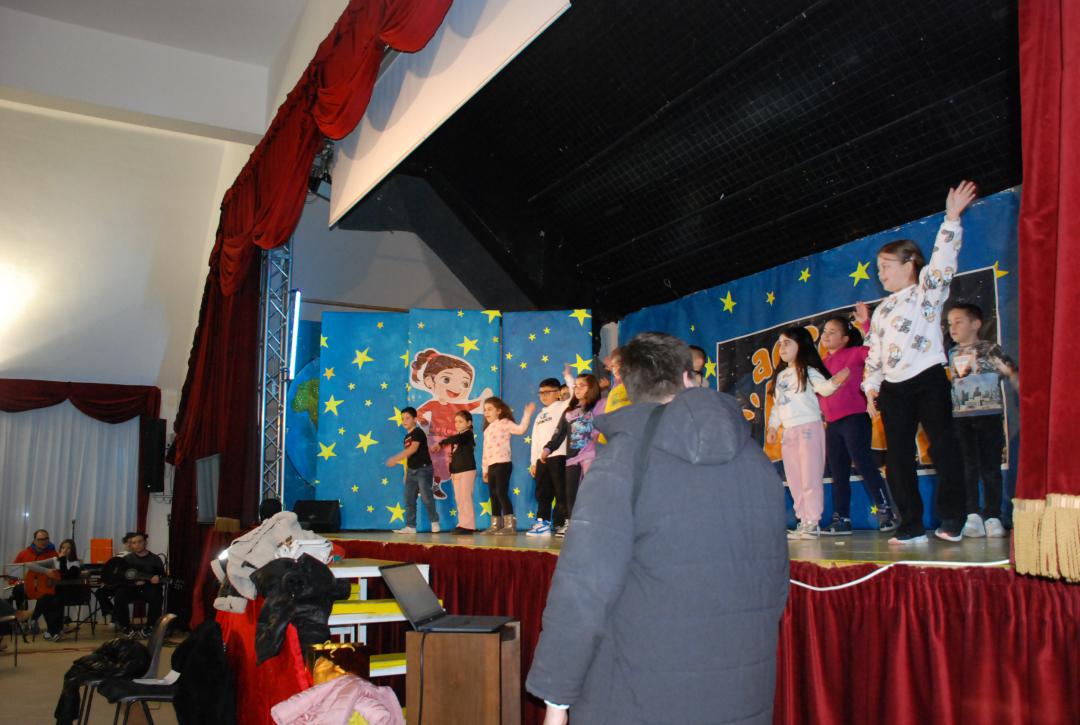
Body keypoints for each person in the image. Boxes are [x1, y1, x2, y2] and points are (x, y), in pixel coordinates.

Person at [526, 332, 789, 724]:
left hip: (639, 696)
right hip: (742, 692)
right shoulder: (756, 460)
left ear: (629, 389)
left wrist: (556, 699)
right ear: (687, 377)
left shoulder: (622, 461)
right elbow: (776, 582)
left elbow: (583, 589)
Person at [863, 180, 978, 544]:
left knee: (943, 446)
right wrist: (871, 387)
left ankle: (953, 518)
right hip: (893, 389)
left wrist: (951, 219)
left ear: (910, 264)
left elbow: (943, 263)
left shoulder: (926, 293)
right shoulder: (881, 310)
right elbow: (874, 353)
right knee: (898, 458)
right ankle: (910, 525)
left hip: (927, 377)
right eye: (878, 269)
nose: (881, 274)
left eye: (886, 266)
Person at [766, 326, 849, 538]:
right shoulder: (781, 376)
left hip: (809, 428)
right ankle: (803, 520)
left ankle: (812, 521)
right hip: (789, 432)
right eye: (780, 344)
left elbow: (825, 389)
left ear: (801, 345)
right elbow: (777, 406)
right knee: (794, 479)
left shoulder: (808, 371)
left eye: (787, 343)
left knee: (810, 477)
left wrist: (836, 381)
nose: (782, 348)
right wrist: (773, 427)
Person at [818, 311, 897, 534]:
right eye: (825, 331)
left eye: (833, 332)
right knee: (838, 471)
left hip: (855, 417)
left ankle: (886, 511)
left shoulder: (855, 353)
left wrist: (866, 323)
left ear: (845, 338)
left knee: (863, 463)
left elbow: (876, 352)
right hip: (832, 424)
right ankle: (842, 518)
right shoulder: (821, 364)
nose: (826, 335)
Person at [946, 302, 1017, 539]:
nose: (953, 327)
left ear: (975, 324)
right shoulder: (951, 353)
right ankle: (972, 515)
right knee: (967, 467)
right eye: (950, 323)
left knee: (990, 467)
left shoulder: (990, 349)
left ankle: (993, 515)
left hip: (988, 415)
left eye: (958, 322)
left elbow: (1011, 372)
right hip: (961, 418)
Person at [410, 349, 492, 500]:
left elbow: (473, 405)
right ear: (429, 381)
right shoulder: (434, 404)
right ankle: (422, 485)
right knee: (431, 463)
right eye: (446, 379)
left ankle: (435, 485)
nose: (457, 388)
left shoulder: (459, 407)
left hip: (451, 442)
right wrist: (423, 421)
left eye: (464, 383)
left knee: (445, 467)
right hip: (435, 439)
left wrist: (483, 400)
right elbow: (418, 413)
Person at [541, 374, 602, 538]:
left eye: (582, 385)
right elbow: (559, 433)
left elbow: (605, 427)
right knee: (571, 491)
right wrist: (548, 448)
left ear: (591, 388)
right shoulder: (570, 412)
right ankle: (571, 523)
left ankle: (592, 523)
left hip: (590, 456)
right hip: (572, 459)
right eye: (575, 385)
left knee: (590, 490)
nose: (577, 389)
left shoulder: (598, 407)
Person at [481, 397, 535, 534]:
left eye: (490, 409)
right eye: (485, 410)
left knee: (501, 492)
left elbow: (521, 429)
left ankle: (510, 525)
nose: (486, 412)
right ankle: (495, 524)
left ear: (499, 411)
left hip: (503, 463)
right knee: (493, 494)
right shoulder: (487, 430)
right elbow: (485, 451)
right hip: (491, 466)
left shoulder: (505, 423)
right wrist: (485, 470)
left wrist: (527, 414)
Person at [526, 378, 571, 537]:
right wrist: (534, 461)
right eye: (541, 393)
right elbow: (535, 439)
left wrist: (568, 377)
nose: (543, 396)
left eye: (547, 392)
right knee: (542, 492)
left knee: (561, 491)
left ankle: (566, 522)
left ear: (558, 393)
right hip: (542, 459)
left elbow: (574, 395)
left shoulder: (564, 406)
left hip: (558, 455)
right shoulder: (540, 415)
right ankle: (543, 523)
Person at [386, 407, 440, 534]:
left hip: (423, 469)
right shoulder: (407, 437)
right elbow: (409, 456)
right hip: (411, 471)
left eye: (407, 418)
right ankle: (410, 526)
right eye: (402, 419)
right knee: (409, 499)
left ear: (415, 419)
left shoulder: (418, 432)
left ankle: (434, 522)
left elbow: (413, 449)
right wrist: (406, 472)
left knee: (426, 497)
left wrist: (395, 458)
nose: (404, 421)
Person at [13, 529, 66, 641]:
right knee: (18, 589)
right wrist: (15, 580)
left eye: (46, 539)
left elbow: (57, 574)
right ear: (34, 541)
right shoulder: (24, 553)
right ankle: (24, 621)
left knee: (47, 596)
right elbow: (14, 571)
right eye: (40, 539)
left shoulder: (53, 554)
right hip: (28, 586)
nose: (43, 541)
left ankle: (36, 621)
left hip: (45, 587)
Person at [111, 532, 165, 639]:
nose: (137, 545)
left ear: (145, 542)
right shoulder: (127, 559)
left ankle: (150, 627)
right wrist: (134, 583)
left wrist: (157, 579)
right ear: (131, 545)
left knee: (157, 594)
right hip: (132, 589)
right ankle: (125, 627)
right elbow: (122, 578)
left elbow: (161, 577)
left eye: (140, 541)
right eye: (134, 543)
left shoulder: (155, 559)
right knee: (120, 594)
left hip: (149, 589)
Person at [438, 411, 478, 534]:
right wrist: (451, 469)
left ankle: (469, 526)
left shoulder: (467, 435)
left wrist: (442, 443)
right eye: (456, 422)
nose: (457, 424)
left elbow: (457, 438)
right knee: (459, 499)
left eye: (460, 421)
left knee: (465, 498)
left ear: (469, 423)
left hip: (467, 470)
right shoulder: (457, 438)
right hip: (457, 471)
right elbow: (453, 455)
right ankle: (462, 524)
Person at [95, 531, 135, 623]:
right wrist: (106, 581)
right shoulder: (118, 555)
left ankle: (117, 618)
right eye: (127, 542)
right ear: (124, 543)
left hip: (125, 585)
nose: (129, 544)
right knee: (99, 592)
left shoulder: (135, 557)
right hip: (113, 584)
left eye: (131, 542)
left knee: (119, 594)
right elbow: (110, 571)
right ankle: (114, 613)